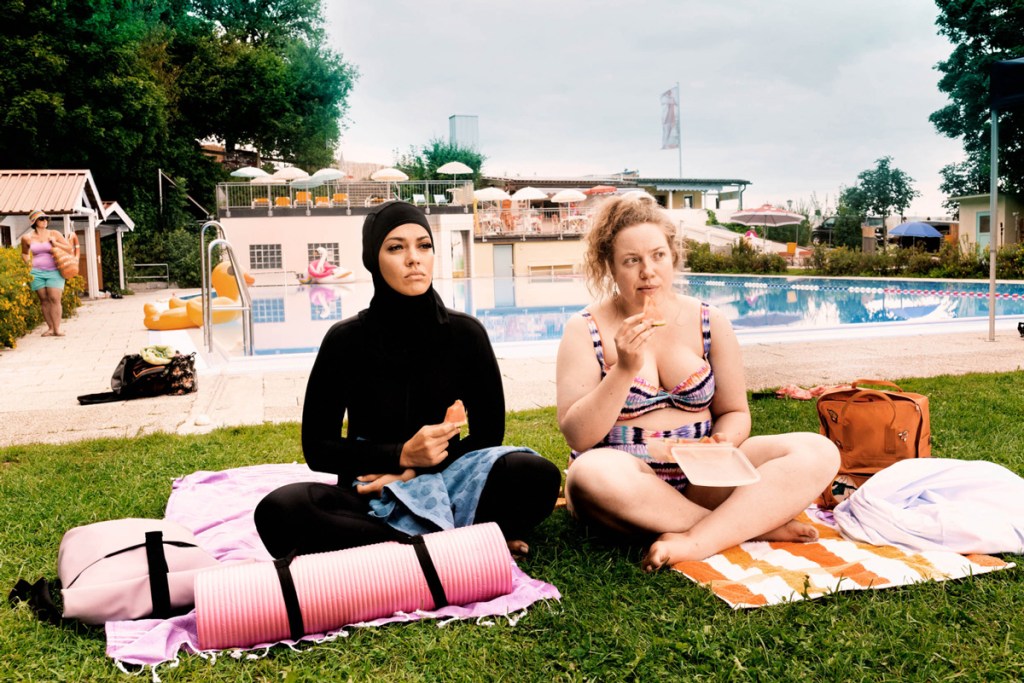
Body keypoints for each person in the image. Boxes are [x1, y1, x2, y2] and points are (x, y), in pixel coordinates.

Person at [256, 201, 561, 558]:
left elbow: (489, 434)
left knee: (534, 474)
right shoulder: (346, 340)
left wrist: (413, 473)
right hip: (371, 490)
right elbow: (318, 448)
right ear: (374, 258)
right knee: (282, 509)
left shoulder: (466, 334)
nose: (414, 258)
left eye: (424, 245)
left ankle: (401, 547)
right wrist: (397, 454)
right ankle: (459, 542)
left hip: (448, 480)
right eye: (396, 247)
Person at [555, 194, 839, 571]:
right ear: (609, 266)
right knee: (590, 473)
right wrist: (624, 368)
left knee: (818, 450)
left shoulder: (709, 321)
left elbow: (735, 412)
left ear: (673, 256)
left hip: (703, 477)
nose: (648, 272)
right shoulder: (585, 328)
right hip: (626, 482)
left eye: (658, 255)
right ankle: (747, 527)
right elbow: (578, 436)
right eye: (631, 261)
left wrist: (724, 442)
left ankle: (696, 538)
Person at [20, 210, 72, 337]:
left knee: (55, 299)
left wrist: (55, 243)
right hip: (36, 273)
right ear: (34, 221)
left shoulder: (54, 233)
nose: (44, 221)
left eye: (46, 219)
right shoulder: (27, 238)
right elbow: (25, 253)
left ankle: (57, 328)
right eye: (41, 219)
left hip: (55, 271)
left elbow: (69, 248)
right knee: (44, 300)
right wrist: (28, 265)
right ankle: (50, 328)